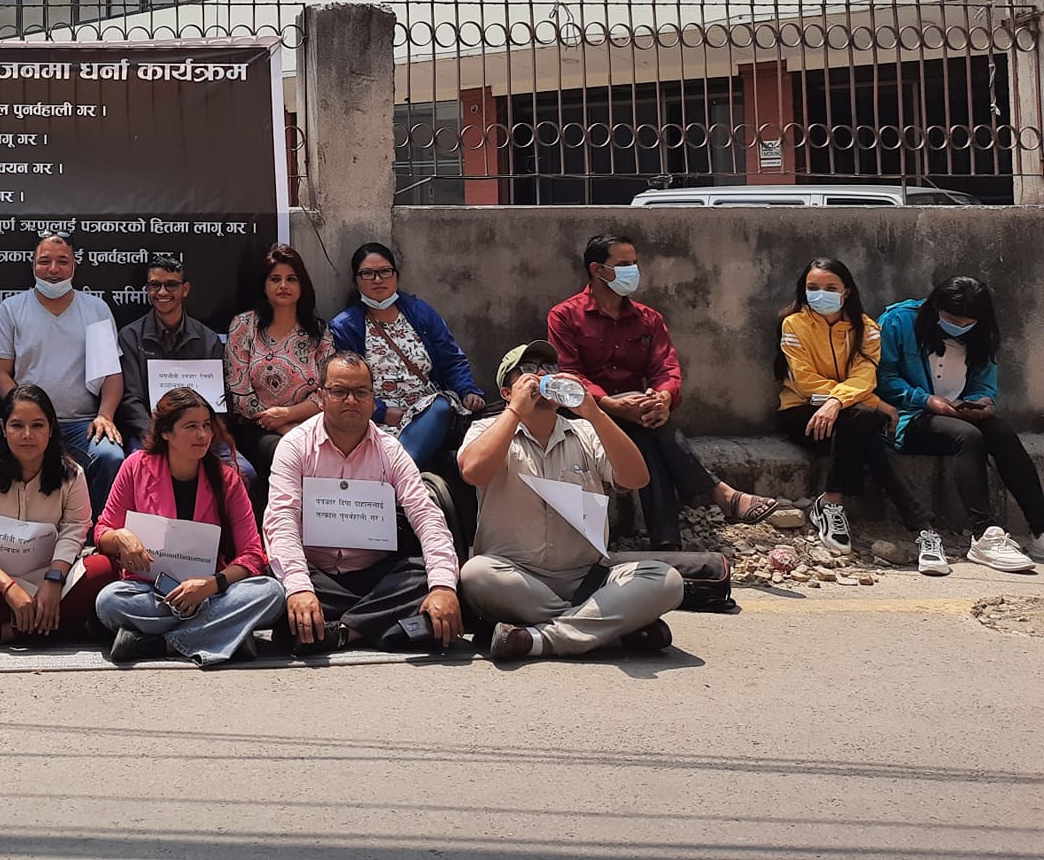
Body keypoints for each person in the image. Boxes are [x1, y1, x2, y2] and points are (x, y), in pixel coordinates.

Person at [546, 233, 794, 547]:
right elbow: (569, 374)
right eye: (623, 264)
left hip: (638, 412)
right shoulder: (565, 316)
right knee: (648, 429)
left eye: (634, 263)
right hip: (588, 413)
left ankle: (668, 543)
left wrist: (663, 397)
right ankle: (717, 494)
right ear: (597, 270)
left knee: (646, 437)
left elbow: (666, 368)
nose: (632, 270)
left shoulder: (648, 319)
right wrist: (608, 403)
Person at [458, 343, 685, 661]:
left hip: (587, 577)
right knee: (476, 574)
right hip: (516, 578)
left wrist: (595, 412)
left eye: (549, 369)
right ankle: (608, 629)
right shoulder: (486, 429)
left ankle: (539, 639)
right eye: (528, 370)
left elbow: (636, 478)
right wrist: (515, 412)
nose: (541, 375)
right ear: (507, 392)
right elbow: (474, 471)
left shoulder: (586, 431)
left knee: (667, 580)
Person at [262, 350, 464, 654]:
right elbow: (281, 520)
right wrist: (300, 589)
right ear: (321, 397)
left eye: (360, 392)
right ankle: (391, 626)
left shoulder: (391, 450)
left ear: (372, 399)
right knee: (277, 586)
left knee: (425, 577)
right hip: (317, 576)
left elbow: (426, 516)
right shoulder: (295, 446)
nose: (351, 400)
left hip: (375, 575)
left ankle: (342, 632)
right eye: (339, 391)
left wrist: (443, 587)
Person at [91, 387, 286, 666]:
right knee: (109, 602)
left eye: (206, 425)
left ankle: (164, 644)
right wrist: (120, 537)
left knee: (271, 593)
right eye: (191, 426)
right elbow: (102, 532)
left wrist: (212, 584)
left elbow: (253, 555)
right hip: (152, 592)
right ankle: (224, 633)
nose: (203, 435)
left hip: (212, 593)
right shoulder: (135, 467)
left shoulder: (227, 478)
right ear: (165, 433)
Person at [877, 277, 1044, 574]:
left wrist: (981, 403)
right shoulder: (898, 321)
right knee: (967, 436)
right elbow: (882, 377)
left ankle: (1040, 529)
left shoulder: (982, 333)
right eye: (953, 321)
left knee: (1002, 433)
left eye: (967, 323)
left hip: (959, 412)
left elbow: (984, 383)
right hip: (909, 417)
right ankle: (983, 534)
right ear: (935, 306)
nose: (960, 327)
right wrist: (927, 401)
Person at [777, 257, 936, 565]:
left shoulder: (868, 329)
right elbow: (805, 381)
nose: (820, 294)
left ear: (846, 291)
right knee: (866, 423)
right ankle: (924, 528)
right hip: (803, 413)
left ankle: (831, 502)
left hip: (845, 418)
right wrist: (873, 402)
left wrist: (837, 402)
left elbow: (865, 377)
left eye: (830, 288)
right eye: (813, 287)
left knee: (862, 426)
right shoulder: (793, 324)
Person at [0, 385, 114, 644]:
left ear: (51, 428)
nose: (27, 435)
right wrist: (9, 588)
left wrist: (54, 580)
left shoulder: (72, 474)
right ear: (3, 428)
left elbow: (75, 531)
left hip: (53, 580)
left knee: (104, 570)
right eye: (17, 425)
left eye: (37, 425)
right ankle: (66, 629)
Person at [0, 231, 125, 513]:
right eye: (44, 261)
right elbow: (0, 373)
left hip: (81, 424)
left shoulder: (96, 310)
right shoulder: (11, 309)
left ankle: (98, 534)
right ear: (32, 265)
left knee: (110, 457)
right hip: (28, 424)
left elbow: (112, 375)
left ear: (75, 265)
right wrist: (26, 415)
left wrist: (105, 415)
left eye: (62, 261)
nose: (53, 269)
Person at [328, 242, 485, 473]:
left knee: (440, 407)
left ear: (396, 275)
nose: (377, 280)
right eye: (368, 274)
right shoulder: (345, 327)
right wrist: (382, 413)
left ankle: (397, 474)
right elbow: (345, 381)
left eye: (385, 271)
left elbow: (451, 359)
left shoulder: (420, 312)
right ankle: (398, 476)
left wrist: (467, 390)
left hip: (426, 410)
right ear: (356, 280)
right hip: (376, 415)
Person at [224, 244, 334, 483]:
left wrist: (288, 416)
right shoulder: (244, 326)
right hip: (256, 429)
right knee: (289, 453)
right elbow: (239, 392)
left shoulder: (319, 331)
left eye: (291, 279)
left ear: (302, 286)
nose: (283, 285)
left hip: (309, 424)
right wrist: (281, 427)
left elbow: (328, 391)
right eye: (275, 279)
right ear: (264, 286)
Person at [115, 255, 228, 444]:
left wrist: (203, 433)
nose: (162, 292)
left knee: (238, 463)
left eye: (171, 285)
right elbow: (131, 399)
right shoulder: (130, 337)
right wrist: (155, 433)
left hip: (200, 435)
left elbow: (218, 401)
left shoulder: (208, 340)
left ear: (185, 289)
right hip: (149, 434)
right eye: (155, 285)